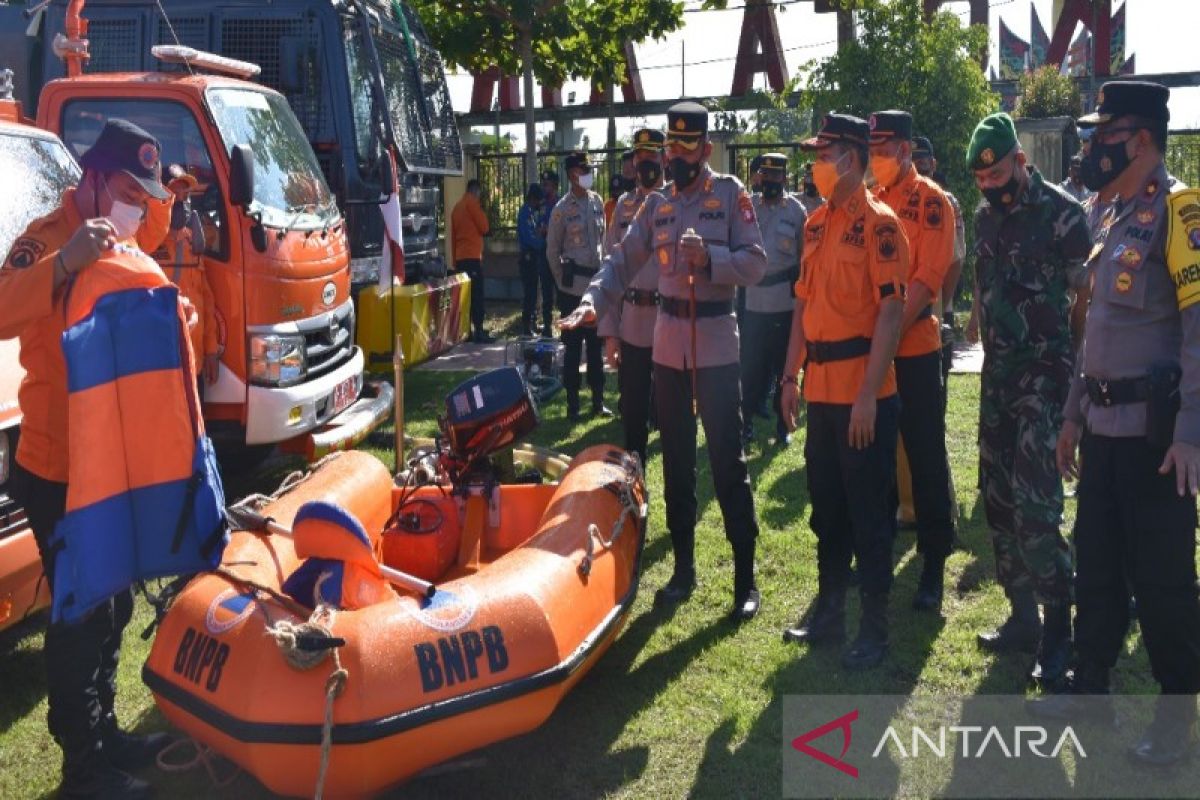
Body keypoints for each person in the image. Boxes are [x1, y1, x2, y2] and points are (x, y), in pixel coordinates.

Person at [1, 119, 181, 799]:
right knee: (78, 613)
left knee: (112, 609)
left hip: (108, 464)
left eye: (147, 193)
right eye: (131, 190)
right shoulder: (50, 238)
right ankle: (83, 766)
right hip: (56, 468)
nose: (140, 204)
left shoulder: (118, 236)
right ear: (97, 180)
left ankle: (106, 736)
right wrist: (64, 263)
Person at [1036, 81, 1200, 765]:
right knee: (1097, 568)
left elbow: (1197, 331)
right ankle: (1090, 687)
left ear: (1138, 138)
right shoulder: (1111, 216)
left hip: (1156, 442)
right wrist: (1072, 416)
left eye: (1105, 133)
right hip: (1101, 431)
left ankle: (1175, 720)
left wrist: (1192, 431)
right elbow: (1093, 334)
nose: (1094, 144)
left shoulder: (1181, 209)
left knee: (1163, 582)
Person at [560, 101, 766, 620]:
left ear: (707, 149)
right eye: (670, 146)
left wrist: (713, 260)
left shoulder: (731, 195)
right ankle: (684, 567)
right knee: (674, 462)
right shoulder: (658, 206)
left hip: (716, 346)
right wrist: (592, 302)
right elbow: (621, 261)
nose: (675, 156)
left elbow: (757, 262)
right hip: (668, 346)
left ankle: (746, 578)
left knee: (726, 464)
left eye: (686, 146)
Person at [964, 112, 1090, 689]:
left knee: (1037, 505)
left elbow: (1085, 301)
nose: (992, 188)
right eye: (982, 182)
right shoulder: (986, 218)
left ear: (1020, 158)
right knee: (997, 499)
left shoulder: (1065, 215)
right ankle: (1021, 617)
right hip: (998, 379)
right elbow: (983, 289)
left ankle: (1058, 631)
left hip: (1046, 377)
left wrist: (1076, 383)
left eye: (998, 175)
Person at [779, 113, 908, 669]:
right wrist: (789, 377)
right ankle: (830, 612)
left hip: (864, 394)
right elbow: (802, 305)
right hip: (821, 391)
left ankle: (874, 629)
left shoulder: (881, 224)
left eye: (822, 154)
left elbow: (891, 313)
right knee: (827, 509)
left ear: (848, 160)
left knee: (868, 515)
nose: (815, 166)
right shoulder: (814, 224)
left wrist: (867, 395)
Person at [867, 111, 958, 613]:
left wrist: (884, 337)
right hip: (876, 355)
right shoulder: (870, 201)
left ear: (904, 150)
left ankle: (933, 566)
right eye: (871, 147)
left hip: (916, 351)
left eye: (882, 147)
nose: (875, 156)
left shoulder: (931, 202)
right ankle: (878, 552)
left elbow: (926, 281)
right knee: (879, 456)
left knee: (925, 456)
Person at [597, 128, 666, 467]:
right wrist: (611, 333)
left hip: (670, 321)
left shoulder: (678, 203)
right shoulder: (624, 206)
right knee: (634, 409)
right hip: (633, 324)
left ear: (664, 158)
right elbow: (610, 266)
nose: (646, 163)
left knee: (671, 414)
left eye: (652, 156)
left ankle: (676, 481)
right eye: (640, 157)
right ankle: (635, 474)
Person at [742, 152, 806, 446]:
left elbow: (804, 258)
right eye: (765, 175)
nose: (770, 181)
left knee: (783, 369)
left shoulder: (796, 211)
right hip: (753, 301)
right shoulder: (748, 207)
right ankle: (745, 426)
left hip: (784, 304)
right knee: (750, 368)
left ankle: (783, 427)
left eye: (775, 176)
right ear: (759, 177)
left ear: (784, 177)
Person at [546, 151, 610, 419]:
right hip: (572, 290)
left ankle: (597, 401)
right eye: (583, 170)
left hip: (594, 287)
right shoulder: (561, 210)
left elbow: (604, 240)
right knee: (572, 349)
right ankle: (573, 404)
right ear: (573, 174)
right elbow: (552, 250)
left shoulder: (596, 202)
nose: (587, 174)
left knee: (596, 349)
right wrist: (562, 281)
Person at [913, 136, 967, 411]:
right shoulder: (893, 198)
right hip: (903, 311)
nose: (919, 167)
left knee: (934, 394)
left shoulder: (947, 202)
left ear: (933, 164)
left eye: (924, 161)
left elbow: (955, 260)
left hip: (934, 311)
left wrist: (944, 308)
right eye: (914, 161)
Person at [451, 179, 493, 343]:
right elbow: (484, 226)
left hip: (460, 258)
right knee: (477, 295)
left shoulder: (456, 208)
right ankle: (479, 330)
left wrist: (454, 261)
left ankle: (466, 331)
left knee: (464, 296)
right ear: (475, 191)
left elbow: (453, 238)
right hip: (472, 257)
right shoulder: (472, 203)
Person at [517, 182, 551, 336]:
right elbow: (529, 237)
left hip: (533, 256)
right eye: (538, 200)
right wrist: (544, 242)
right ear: (533, 199)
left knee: (533, 292)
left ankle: (531, 323)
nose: (540, 203)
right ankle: (526, 326)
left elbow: (537, 231)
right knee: (529, 293)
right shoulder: (525, 213)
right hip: (527, 256)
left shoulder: (531, 213)